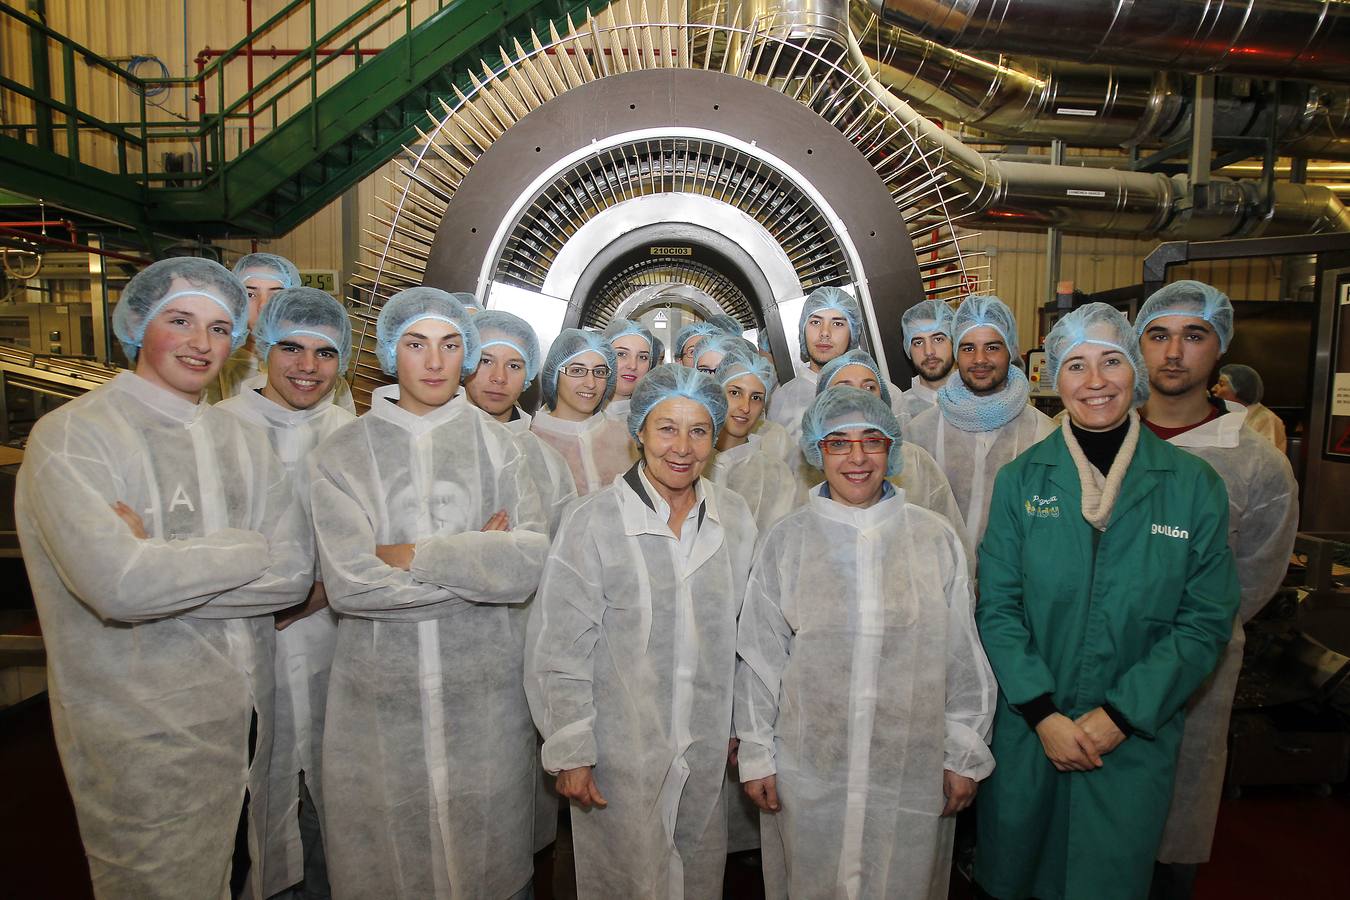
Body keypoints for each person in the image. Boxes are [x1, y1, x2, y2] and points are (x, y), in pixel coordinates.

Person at [16, 257, 313, 898]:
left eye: (219, 327)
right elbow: (118, 585)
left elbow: (292, 576)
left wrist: (164, 556)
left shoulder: (242, 441)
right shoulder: (73, 437)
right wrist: (245, 547)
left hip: (251, 719)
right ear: (139, 325)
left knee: (245, 875)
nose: (201, 343)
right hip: (143, 728)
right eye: (180, 321)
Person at [974, 303, 1240, 900]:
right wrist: (1043, 713)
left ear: (1135, 371)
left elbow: (1204, 622)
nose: (1095, 382)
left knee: (1110, 879)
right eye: (1076, 365)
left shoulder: (1192, 486)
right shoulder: (1022, 480)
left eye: (1111, 361)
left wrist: (1120, 716)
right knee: (1018, 872)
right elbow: (998, 606)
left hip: (1131, 737)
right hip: (1032, 731)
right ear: (1053, 379)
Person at [309, 288, 549, 899]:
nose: (435, 362)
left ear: (466, 353)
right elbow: (351, 585)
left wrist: (406, 555)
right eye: (417, 344)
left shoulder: (502, 449)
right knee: (393, 866)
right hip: (379, 710)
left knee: (491, 869)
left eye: (450, 345)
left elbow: (524, 565)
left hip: (486, 706)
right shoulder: (342, 454)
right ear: (392, 352)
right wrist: (474, 562)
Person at [736, 385, 996, 900]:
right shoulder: (787, 540)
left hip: (909, 771)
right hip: (809, 772)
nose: (857, 457)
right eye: (838, 442)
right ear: (816, 451)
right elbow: (760, 658)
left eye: (872, 441)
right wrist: (757, 754)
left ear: (892, 448)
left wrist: (963, 752)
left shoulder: (934, 538)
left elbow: (963, 656)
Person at [527, 364, 758, 899]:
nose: (682, 447)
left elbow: (750, 638)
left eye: (698, 430)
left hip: (703, 751)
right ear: (638, 433)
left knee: (698, 877)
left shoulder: (737, 519)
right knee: (624, 883)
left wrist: (741, 726)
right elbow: (559, 646)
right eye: (666, 428)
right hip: (616, 755)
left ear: (716, 436)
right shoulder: (593, 521)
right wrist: (571, 750)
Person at [1134, 283, 1300, 900]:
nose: (1174, 353)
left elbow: (1257, 574)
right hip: (1092, 664)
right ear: (1139, 344)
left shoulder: (1256, 464)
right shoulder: (1096, 436)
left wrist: (1188, 638)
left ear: (1220, 346)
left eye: (1193, 336)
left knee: (1171, 835)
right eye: (1159, 335)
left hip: (1195, 678)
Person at [217, 286, 355, 900]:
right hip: (235, 654)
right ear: (260, 347)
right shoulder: (218, 431)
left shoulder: (354, 434)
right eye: (291, 348)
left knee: (332, 807)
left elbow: (379, 542)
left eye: (326, 353)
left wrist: (318, 592)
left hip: (336, 646)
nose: (308, 366)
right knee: (246, 804)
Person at [906, 294, 1054, 549]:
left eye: (992, 347)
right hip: (940, 582)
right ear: (956, 353)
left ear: (1012, 350)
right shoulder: (920, 432)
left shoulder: (1044, 434)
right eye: (968, 348)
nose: (979, 359)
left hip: (1014, 583)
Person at [813, 349, 970, 545]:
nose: (859, 396)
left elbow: (950, 540)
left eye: (869, 387)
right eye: (844, 388)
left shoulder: (916, 461)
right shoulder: (813, 465)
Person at [466, 309, 579, 536]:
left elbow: (562, 553)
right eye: (486, 360)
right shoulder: (427, 439)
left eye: (514, 366)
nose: (499, 377)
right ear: (465, 363)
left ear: (528, 376)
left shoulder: (549, 465)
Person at [208, 252, 357, 413]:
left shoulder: (324, 376)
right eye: (250, 294)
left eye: (276, 295)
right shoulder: (214, 370)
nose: (263, 306)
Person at [530, 328, 636, 495]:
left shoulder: (627, 438)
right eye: (577, 370)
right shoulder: (529, 441)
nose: (590, 383)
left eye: (599, 372)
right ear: (554, 374)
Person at [708, 350, 800, 536]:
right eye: (735, 393)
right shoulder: (691, 462)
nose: (745, 407)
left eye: (756, 397)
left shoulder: (776, 475)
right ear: (717, 394)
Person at [899, 299, 957, 419]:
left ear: (954, 343)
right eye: (919, 342)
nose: (929, 351)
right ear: (908, 349)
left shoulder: (983, 404)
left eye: (938, 339)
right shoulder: (898, 413)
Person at [1213, 363, 1287, 453]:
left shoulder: (1267, 420)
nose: (1213, 389)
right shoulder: (1227, 416)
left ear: (1239, 389)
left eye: (1221, 384)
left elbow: (1264, 458)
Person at [603, 317, 659, 423]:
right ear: (603, 356)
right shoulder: (579, 413)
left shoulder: (655, 421)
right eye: (621, 354)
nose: (633, 365)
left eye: (642, 357)